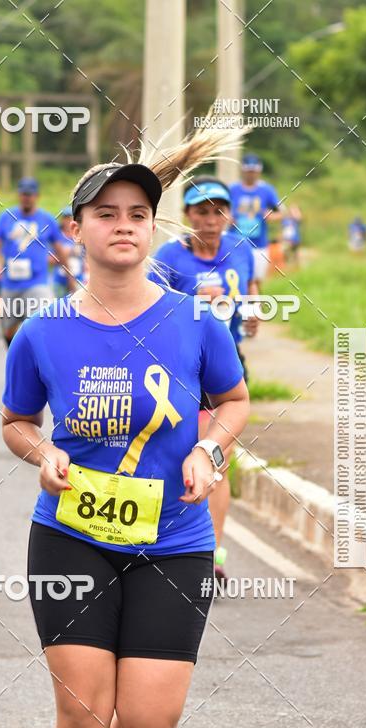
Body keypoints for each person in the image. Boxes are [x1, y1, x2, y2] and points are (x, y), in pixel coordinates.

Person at [1, 129, 249, 728]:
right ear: (75, 228)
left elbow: (233, 402)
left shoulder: (196, 321)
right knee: (82, 707)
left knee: (149, 719)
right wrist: (40, 452)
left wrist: (210, 449)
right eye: (105, 212)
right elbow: (15, 419)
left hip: (173, 540)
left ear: (152, 228)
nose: (123, 224)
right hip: (71, 537)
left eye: (138, 213)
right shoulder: (42, 331)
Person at [150, 176, 258, 581]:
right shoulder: (169, 257)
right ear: (188, 216)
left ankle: (210, 552)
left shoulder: (241, 249)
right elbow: (149, 312)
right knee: (172, 455)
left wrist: (251, 314)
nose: (211, 220)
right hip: (177, 370)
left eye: (218, 211)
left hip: (224, 370)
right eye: (201, 211)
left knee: (216, 459)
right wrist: (192, 306)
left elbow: (249, 291)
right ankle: (164, 538)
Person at [0, 177, 75, 347]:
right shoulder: (6, 217)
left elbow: (60, 250)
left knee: (43, 319)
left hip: (37, 282)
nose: (26, 197)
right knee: (8, 330)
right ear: (19, 195)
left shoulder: (47, 219)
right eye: (23, 194)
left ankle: (39, 360)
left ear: (37, 196)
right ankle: (15, 356)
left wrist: (70, 278)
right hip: (10, 284)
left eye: (30, 194)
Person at [228, 153, 280, 287]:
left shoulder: (267, 190)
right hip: (235, 243)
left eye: (254, 171)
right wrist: (227, 218)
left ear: (259, 171)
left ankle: (256, 306)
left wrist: (270, 216)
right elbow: (221, 211)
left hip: (259, 244)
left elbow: (281, 213)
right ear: (243, 170)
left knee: (256, 281)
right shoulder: (232, 189)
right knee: (235, 280)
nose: (251, 174)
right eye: (248, 171)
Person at [52, 205, 87, 296]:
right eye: (65, 218)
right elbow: (48, 259)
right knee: (60, 307)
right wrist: (62, 255)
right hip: (60, 281)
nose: (68, 221)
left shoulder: (81, 236)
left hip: (78, 280)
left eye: (70, 218)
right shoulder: (56, 238)